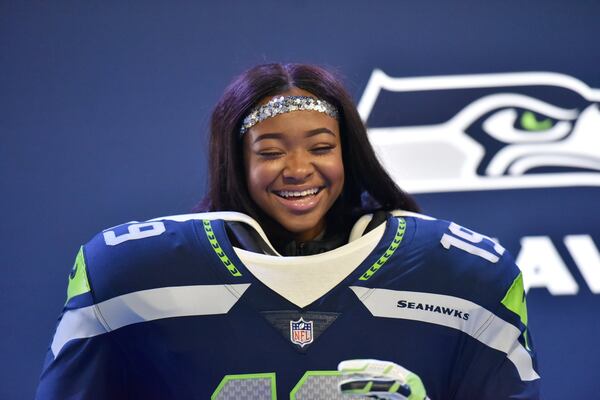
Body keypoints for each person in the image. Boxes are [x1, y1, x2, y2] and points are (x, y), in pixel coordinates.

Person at [36, 63, 540, 399]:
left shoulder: (461, 274)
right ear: (234, 161)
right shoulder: (132, 273)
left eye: (320, 147)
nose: (298, 169)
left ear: (349, 152)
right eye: (271, 152)